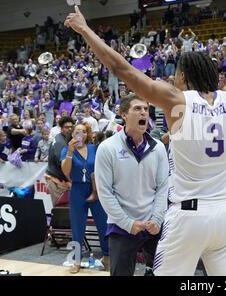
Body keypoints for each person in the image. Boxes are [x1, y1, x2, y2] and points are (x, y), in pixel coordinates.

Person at [64, 6, 226, 275]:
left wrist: (84, 29)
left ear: (184, 77)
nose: (174, 78)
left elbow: (122, 68)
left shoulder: (177, 100)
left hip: (188, 217)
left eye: (177, 73)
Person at [95, 94, 169, 276]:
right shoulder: (107, 148)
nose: (143, 112)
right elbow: (104, 192)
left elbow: (163, 187)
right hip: (121, 226)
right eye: (137, 109)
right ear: (124, 115)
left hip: (153, 224)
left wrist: (157, 219)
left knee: (166, 273)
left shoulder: (158, 147)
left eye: (145, 109)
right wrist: (127, 223)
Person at [60, 122, 109, 274]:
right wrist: (69, 151)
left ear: (87, 134)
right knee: (77, 227)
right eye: (76, 131)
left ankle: (107, 256)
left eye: (83, 131)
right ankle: (76, 260)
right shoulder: (66, 150)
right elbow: (66, 172)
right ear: (72, 134)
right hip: (77, 190)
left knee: (103, 224)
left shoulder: (95, 148)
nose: (80, 134)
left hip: (95, 189)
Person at [46, 116, 74, 205]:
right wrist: (71, 181)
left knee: (63, 209)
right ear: (61, 128)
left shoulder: (62, 138)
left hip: (57, 177)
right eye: (66, 127)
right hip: (57, 180)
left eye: (71, 127)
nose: (69, 129)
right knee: (61, 210)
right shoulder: (60, 142)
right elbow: (64, 166)